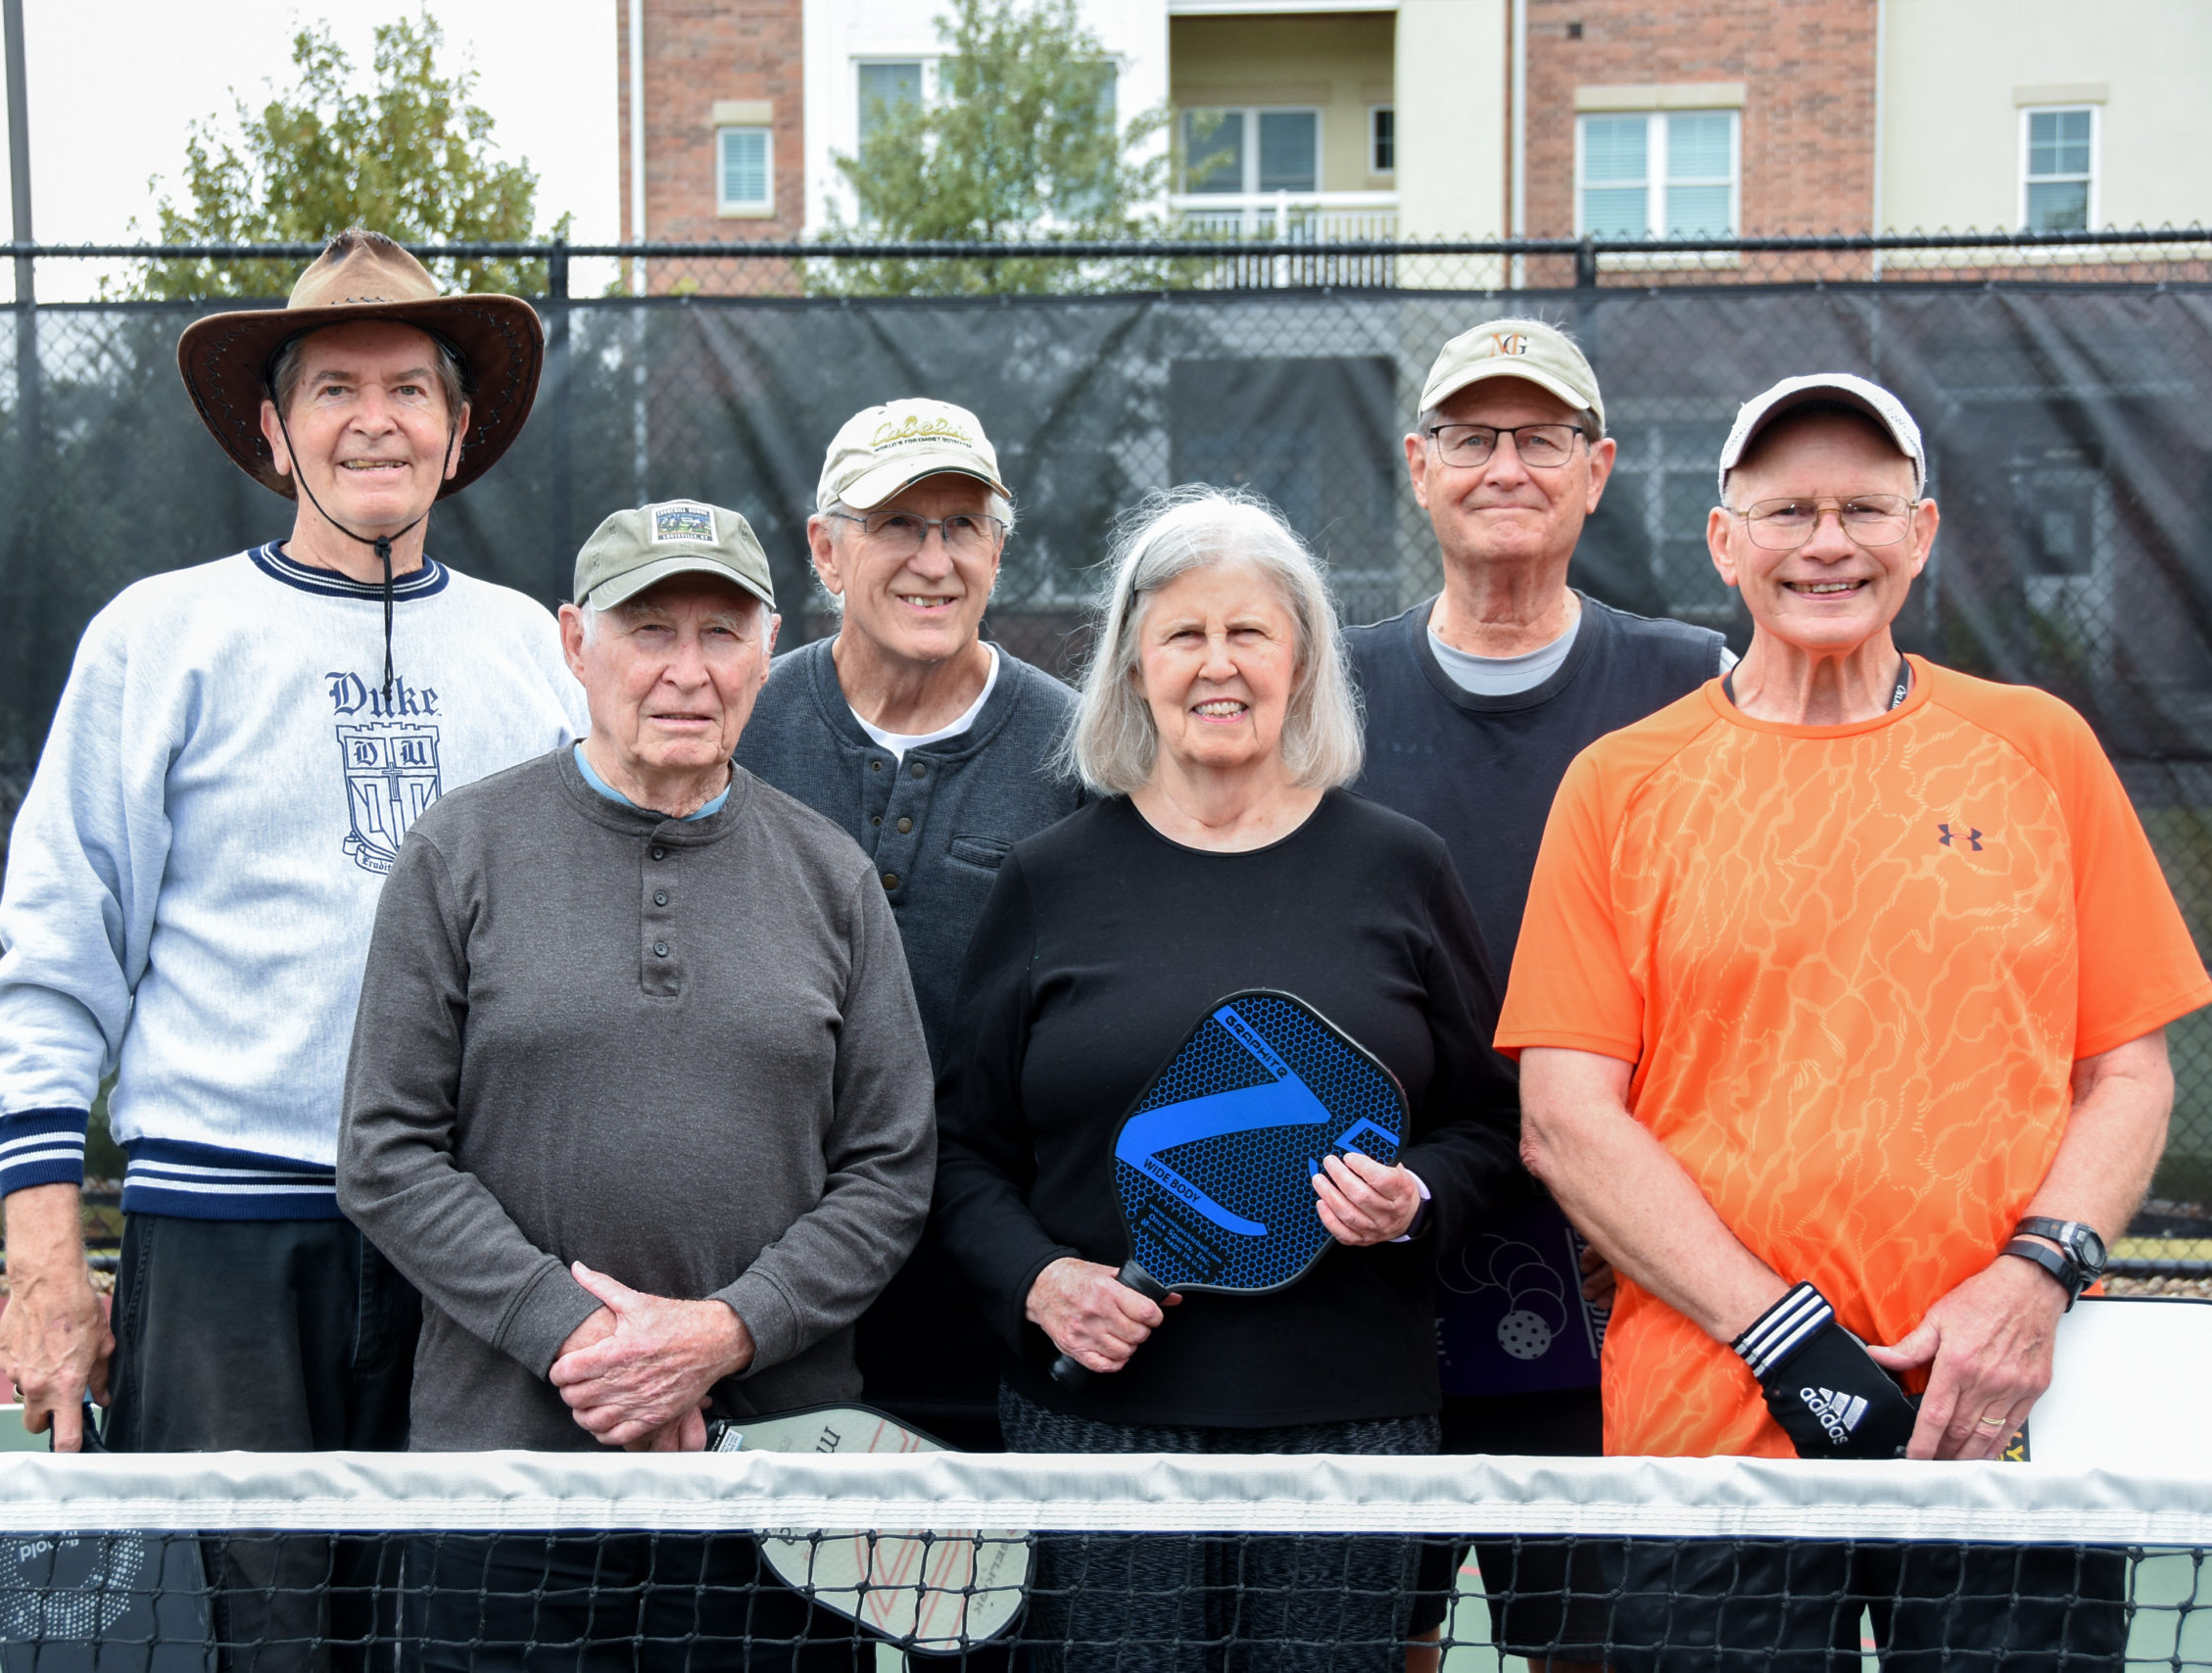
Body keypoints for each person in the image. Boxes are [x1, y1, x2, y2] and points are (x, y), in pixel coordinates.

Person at [1501, 373, 2212, 1670]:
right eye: (1787, 512)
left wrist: (2030, 1283)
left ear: (1922, 532)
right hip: (1712, 1442)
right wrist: (1785, 1340)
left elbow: (2131, 1075)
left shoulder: (2039, 749)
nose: (1827, 543)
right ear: (1724, 542)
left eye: (1864, 508)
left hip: (2003, 1427)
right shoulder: (1621, 785)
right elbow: (1564, 1119)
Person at [0, 229, 583, 1663]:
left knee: (457, 1640)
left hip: (471, 1256)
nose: (373, 416)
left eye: (410, 389)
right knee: (242, 1646)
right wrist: (45, 1263)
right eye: (332, 388)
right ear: (272, 430)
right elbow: (60, 948)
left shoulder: (536, 656)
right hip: (225, 1244)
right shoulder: (159, 636)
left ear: (456, 433)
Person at [339, 501, 937, 1670]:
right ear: (575, 643)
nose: (686, 670)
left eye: (721, 632)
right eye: (648, 628)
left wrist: (721, 1334)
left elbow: (890, 1171)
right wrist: (588, 1341)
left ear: (769, 649)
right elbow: (387, 1152)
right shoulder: (458, 852)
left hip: (772, 1486)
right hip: (505, 1483)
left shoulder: (833, 877)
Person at [934, 488, 1525, 1668]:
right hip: (1095, 1429)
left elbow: (1492, 1122)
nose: (1218, 665)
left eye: (1249, 632)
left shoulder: (1400, 870)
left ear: (1300, 659)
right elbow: (958, 1153)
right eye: (1184, 635)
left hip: (1348, 1429)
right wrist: (1042, 1282)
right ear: (1133, 666)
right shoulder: (1051, 880)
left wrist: (1418, 1198)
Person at [1349, 318, 1728, 1673]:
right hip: (1372, 1268)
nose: (1504, 465)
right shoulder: (1326, 688)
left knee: (1591, 1645)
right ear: (1418, 465)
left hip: (1617, 1273)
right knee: (1381, 1639)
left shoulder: (1693, 681)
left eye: (1540, 438)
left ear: (1598, 467)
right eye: (1469, 437)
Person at [735, 398, 1082, 1454]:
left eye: (961, 526)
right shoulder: (737, 725)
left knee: (1001, 1611)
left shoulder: (1082, 752)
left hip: (998, 1296)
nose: (933, 559)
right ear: (825, 551)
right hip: (767, 1294)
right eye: (896, 524)